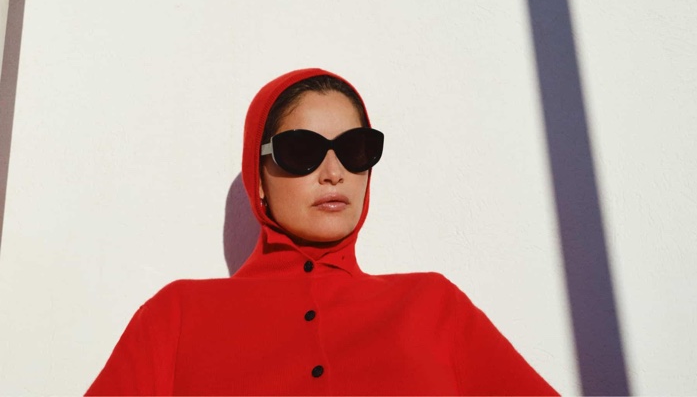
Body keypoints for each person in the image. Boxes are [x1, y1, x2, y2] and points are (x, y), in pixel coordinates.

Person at [87, 68, 558, 395]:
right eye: (301, 150)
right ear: (259, 178)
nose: (333, 172)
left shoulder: (432, 306)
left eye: (355, 149)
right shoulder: (177, 317)